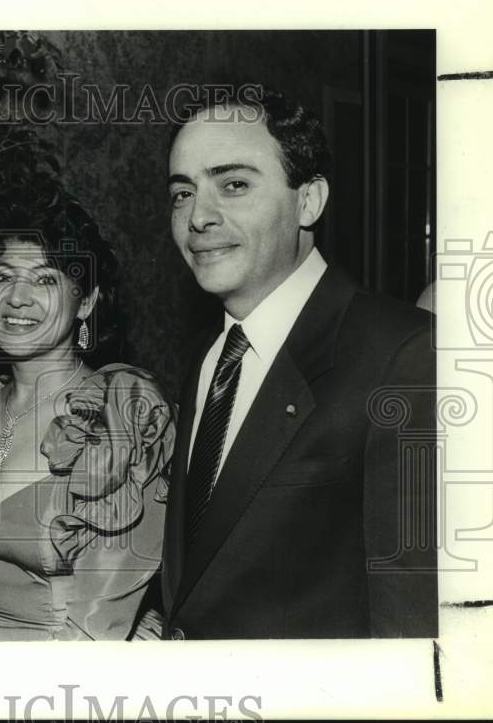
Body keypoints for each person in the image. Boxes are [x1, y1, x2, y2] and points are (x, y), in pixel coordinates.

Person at [161, 86, 438, 639]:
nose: (198, 217)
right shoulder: (209, 358)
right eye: (182, 193)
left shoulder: (403, 355)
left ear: (308, 201)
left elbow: (411, 626)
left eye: (233, 185)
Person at [0, 178, 176, 641]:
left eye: (45, 279)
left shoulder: (121, 418)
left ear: (86, 301)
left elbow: (94, 626)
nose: (17, 297)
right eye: (2, 276)